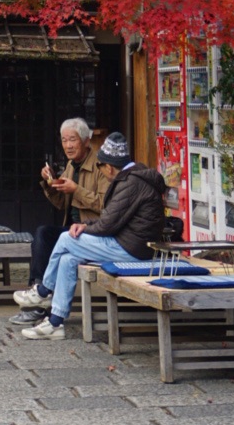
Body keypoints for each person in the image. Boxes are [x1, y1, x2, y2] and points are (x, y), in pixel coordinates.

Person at [14, 131, 167, 341]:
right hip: (128, 243)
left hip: (132, 249)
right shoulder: (131, 179)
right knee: (68, 259)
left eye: (101, 167)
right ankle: (55, 323)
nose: (101, 171)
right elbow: (109, 218)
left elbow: (107, 224)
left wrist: (82, 227)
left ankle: (42, 291)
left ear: (110, 167)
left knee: (66, 238)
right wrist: (84, 224)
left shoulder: (131, 183)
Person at [10, 117, 110, 327]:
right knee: (43, 234)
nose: (67, 146)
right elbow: (61, 203)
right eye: (64, 140)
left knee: (53, 238)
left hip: (93, 231)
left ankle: (39, 300)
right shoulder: (71, 166)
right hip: (72, 230)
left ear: (85, 140)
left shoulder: (102, 167)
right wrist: (49, 183)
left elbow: (105, 206)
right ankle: (38, 294)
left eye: (72, 140)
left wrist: (77, 190)